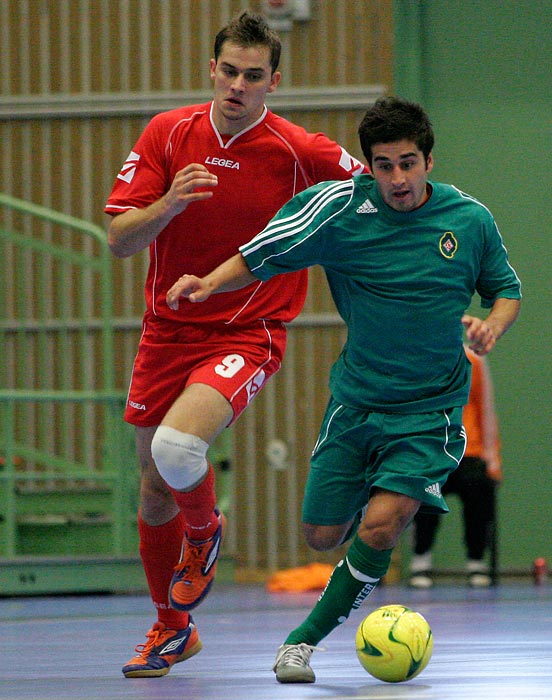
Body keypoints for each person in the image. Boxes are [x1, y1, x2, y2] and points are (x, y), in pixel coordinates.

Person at [165, 95, 522, 684]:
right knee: (322, 534)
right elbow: (260, 256)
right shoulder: (336, 211)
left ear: (429, 160)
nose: (398, 178)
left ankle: (300, 642)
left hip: (430, 411)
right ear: (369, 166)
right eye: (384, 165)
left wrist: (492, 326)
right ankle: (367, 533)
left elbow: (506, 290)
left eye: (408, 162)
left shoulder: (470, 221)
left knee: (381, 526)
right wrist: (209, 283)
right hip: (356, 405)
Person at [104, 11, 367, 679]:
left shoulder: (298, 150)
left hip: (249, 330)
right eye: (229, 72)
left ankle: (205, 531)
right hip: (167, 329)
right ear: (211, 71)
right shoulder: (169, 133)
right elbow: (118, 238)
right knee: (153, 489)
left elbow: (377, 193)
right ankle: (172, 628)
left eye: (254, 76)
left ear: (273, 81)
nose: (238, 86)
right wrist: (168, 204)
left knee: (177, 448)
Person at [409, 345, 502, 589]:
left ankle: (476, 562)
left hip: (469, 450)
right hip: (433, 450)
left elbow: (486, 406)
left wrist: (493, 459)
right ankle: (421, 561)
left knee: (478, 496)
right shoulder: (421, 358)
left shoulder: (474, 360)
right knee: (426, 499)